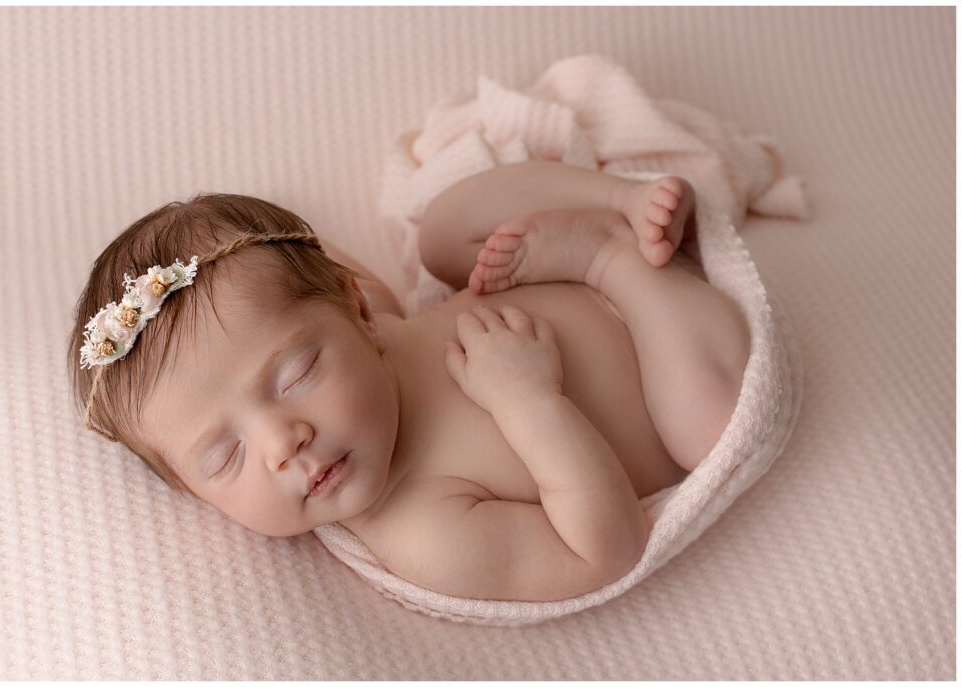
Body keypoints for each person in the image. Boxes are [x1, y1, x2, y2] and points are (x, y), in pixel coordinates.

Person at [68, 161, 749, 602]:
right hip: (662, 364)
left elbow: (312, 261)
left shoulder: (379, 323)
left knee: (442, 230)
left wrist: (223, 252)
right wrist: (531, 402)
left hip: (534, 270)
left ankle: (617, 198)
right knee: (713, 424)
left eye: (296, 373)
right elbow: (605, 546)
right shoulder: (425, 527)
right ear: (197, 493)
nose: (284, 442)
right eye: (225, 457)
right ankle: (618, 257)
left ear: (356, 312)